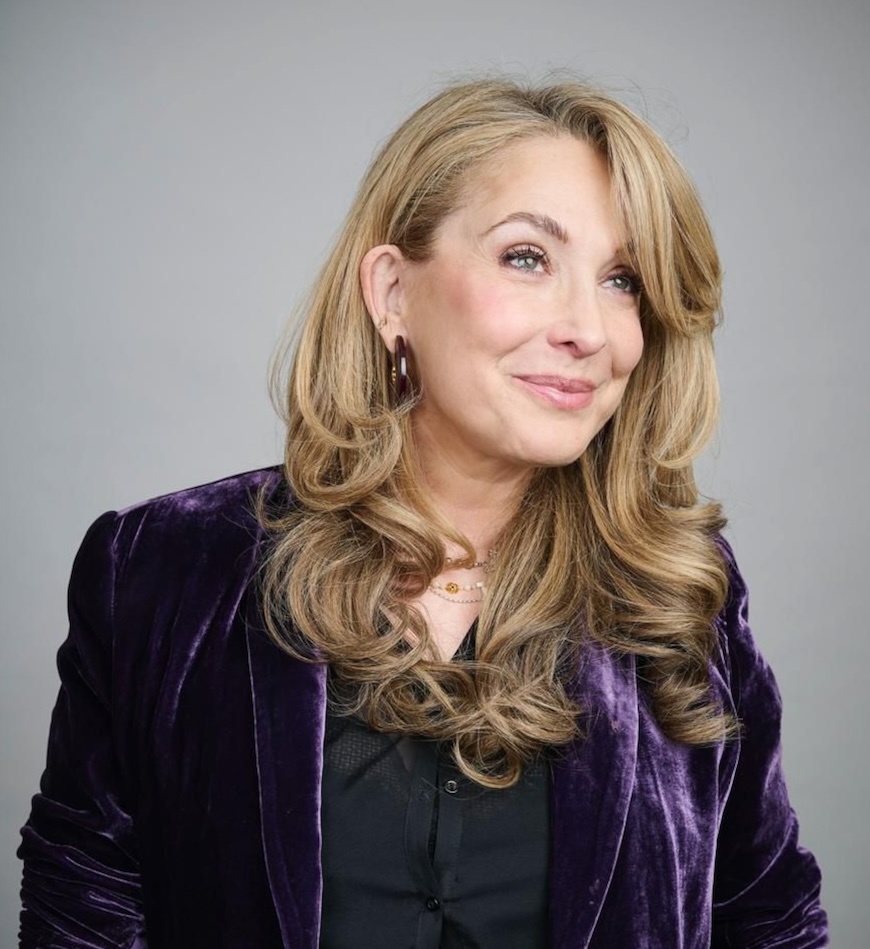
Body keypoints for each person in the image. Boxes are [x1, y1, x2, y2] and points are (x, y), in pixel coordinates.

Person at [19, 77, 827, 948]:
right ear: (392, 292)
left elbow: (768, 919)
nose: (588, 329)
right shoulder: (160, 573)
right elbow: (83, 915)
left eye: (623, 279)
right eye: (528, 257)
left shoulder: (680, 596)